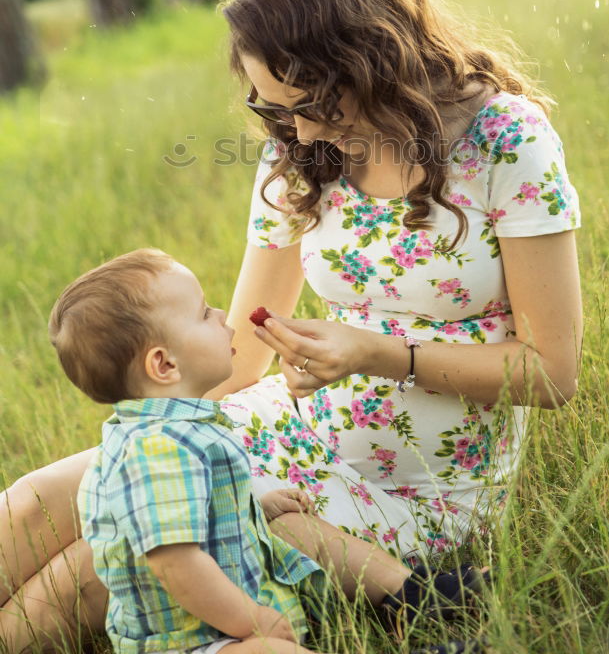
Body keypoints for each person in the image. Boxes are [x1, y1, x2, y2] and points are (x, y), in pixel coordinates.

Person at [0, 0, 583, 649]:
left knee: (96, 564)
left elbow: (552, 373)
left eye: (310, 104)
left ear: (368, 62)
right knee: (35, 505)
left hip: (417, 486)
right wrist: (158, 455)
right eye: (276, 110)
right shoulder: (301, 147)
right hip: (288, 429)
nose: (298, 129)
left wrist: (376, 353)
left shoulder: (505, 140)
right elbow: (242, 358)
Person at [44, 247, 484, 654]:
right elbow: (175, 562)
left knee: (299, 534)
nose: (222, 316)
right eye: (203, 314)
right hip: (193, 641)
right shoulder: (160, 449)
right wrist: (250, 620)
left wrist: (257, 506)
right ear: (165, 364)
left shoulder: (178, 429)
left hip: (213, 624)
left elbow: (201, 509)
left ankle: (415, 600)